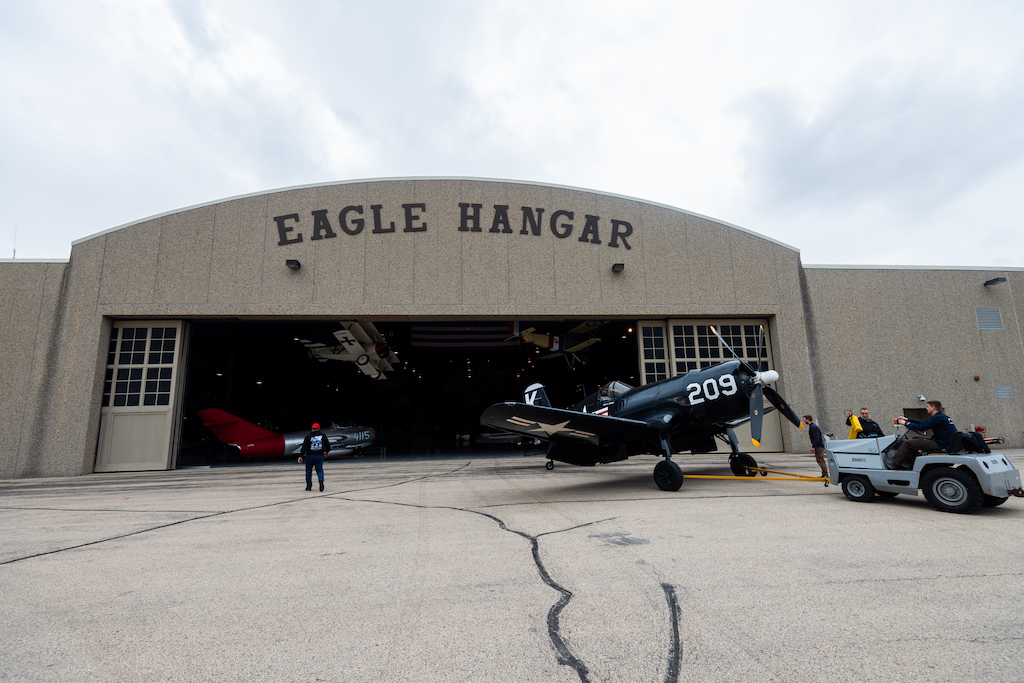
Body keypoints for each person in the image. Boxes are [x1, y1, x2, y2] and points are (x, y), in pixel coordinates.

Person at [887, 401, 956, 469]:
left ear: (933, 408)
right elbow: (924, 422)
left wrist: (906, 423)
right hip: (944, 442)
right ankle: (910, 462)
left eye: (928, 406)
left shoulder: (937, 417)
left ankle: (894, 463)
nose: (926, 408)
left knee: (907, 443)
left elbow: (922, 427)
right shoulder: (942, 416)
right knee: (914, 439)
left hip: (939, 443)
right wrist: (907, 419)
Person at [298, 422, 330, 491]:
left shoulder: (308, 436)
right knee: (319, 470)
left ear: (312, 429)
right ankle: (320, 479)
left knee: (308, 471)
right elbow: (327, 445)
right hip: (319, 455)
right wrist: (327, 452)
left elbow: (304, 447)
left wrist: (301, 456)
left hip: (310, 456)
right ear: (319, 428)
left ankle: (309, 486)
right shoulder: (323, 436)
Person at [803, 414, 828, 478]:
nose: (804, 421)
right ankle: (824, 473)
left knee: (820, 460)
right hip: (818, 445)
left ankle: (825, 474)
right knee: (820, 460)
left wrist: (813, 446)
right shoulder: (812, 426)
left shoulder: (813, 427)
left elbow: (816, 438)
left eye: (804, 419)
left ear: (808, 419)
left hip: (819, 446)